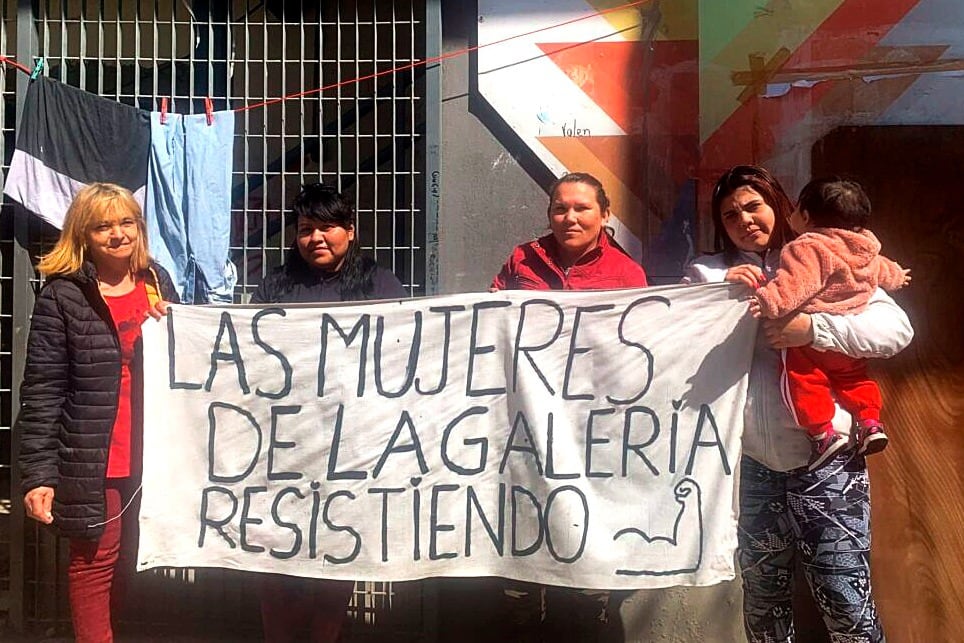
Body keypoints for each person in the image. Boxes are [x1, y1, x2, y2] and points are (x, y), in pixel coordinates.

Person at [683, 165, 913, 642]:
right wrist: (718, 294)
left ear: (780, 206)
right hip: (751, 464)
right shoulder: (706, 273)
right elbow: (680, 346)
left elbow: (895, 332)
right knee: (764, 597)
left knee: (844, 594)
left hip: (828, 460)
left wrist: (811, 329)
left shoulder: (833, 254)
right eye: (729, 215)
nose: (744, 219)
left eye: (753, 206)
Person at [17, 182, 178, 643]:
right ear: (82, 235)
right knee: (94, 560)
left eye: (126, 222)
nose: (117, 234)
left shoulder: (157, 282)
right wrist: (38, 475)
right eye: (103, 225)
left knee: (130, 557)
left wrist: (180, 322)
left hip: (155, 451)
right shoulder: (62, 296)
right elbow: (43, 391)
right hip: (94, 456)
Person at [490, 171, 648, 641]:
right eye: (560, 208)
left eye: (581, 208)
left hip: (590, 439)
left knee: (582, 565)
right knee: (519, 567)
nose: (570, 217)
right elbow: (488, 321)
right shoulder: (522, 260)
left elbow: (639, 354)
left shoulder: (628, 274)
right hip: (524, 435)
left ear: (604, 214)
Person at [251, 182, 406, 642]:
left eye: (328, 227)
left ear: (351, 231)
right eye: (305, 229)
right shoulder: (276, 285)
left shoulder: (381, 284)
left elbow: (404, 354)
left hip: (352, 447)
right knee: (278, 553)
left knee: (336, 553)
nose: (316, 238)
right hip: (286, 446)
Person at [751, 177, 910, 470]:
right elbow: (882, 268)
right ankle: (871, 422)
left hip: (810, 348)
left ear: (806, 216)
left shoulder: (806, 248)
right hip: (848, 345)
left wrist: (768, 301)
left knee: (802, 381)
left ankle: (822, 433)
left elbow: (794, 286)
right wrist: (898, 275)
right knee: (855, 379)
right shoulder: (864, 248)